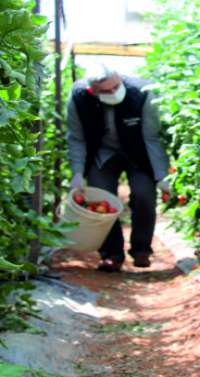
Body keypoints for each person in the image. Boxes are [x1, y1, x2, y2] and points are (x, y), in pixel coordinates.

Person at [66, 64, 171, 272]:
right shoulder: (79, 98)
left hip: (139, 153)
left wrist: (161, 176)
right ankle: (111, 254)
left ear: (119, 79)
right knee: (101, 198)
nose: (114, 92)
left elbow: (152, 138)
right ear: (92, 91)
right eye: (106, 91)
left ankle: (141, 249)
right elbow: (76, 139)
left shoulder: (142, 93)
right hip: (103, 154)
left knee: (144, 195)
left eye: (116, 87)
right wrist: (77, 174)